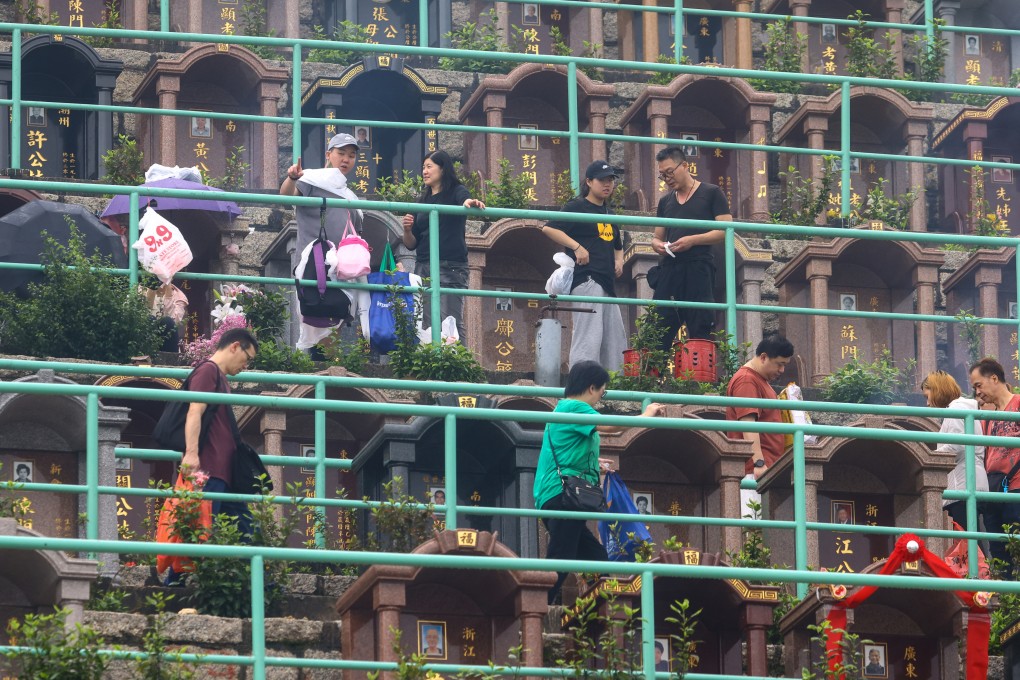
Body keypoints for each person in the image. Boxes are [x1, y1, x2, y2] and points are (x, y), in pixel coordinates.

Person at [534, 361, 664, 604]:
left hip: (559, 495)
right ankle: (533, 611)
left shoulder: (565, 409)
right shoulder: (575, 407)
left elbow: (567, 451)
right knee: (561, 558)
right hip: (563, 497)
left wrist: (595, 464)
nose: (600, 398)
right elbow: (607, 425)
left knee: (595, 557)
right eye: (602, 392)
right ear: (592, 387)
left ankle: (602, 611)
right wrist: (645, 415)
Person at [541, 161, 627, 371]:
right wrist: (576, 247)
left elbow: (618, 244)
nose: (607, 184)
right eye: (602, 180)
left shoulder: (610, 214)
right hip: (587, 278)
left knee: (614, 338)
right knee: (588, 336)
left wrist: (619, 259)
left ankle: (613, 387)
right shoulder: (577, 206)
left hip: (607, 283)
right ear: (589, 182)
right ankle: (581, 383)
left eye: (610, 180)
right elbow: (549, 228)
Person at [650, 146, 732, 350]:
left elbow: (725, 231)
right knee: (659, 327)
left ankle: (698, 380)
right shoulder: (665, 201)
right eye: (662, 175)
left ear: (685, 165)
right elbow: (656, 237)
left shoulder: (711, 192)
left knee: (700, 326)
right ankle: (653, 379)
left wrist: (693, 240)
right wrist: (658, 246)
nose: (667, 178)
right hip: (669, 268)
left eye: (670, 172)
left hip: (698, 267)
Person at [401, 150, 486, 343]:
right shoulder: (421, 202)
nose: (425, 171)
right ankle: (433, 363)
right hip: (424, 265)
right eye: (423, 167)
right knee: (427, 321)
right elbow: (411, 244)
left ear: (443, 168)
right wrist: (407, 230)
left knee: (451, 319)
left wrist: (469, 202)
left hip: (451, 265)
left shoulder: (456, 191)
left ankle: (459, 367)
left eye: (429, 166)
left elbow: (464, 199)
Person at [182, 328, 259, 533]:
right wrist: (191, 454)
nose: (246, 366)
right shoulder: (208, 370)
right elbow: (194, 411)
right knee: (198, 539)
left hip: (224, 473)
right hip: (209, 471)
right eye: (247, 358)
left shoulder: (220, 377)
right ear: (235, 346)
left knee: (248, 535)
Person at [726, 335, 794, 512]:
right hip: (754, 471)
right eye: (779, 364)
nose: (782, 370)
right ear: (763, 357)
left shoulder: (759, 379)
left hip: (765, 468)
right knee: (753, 531)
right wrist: (758, 464)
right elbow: (748, 424)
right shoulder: (747, 380)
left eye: (785, 365)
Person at [970, 357, 1020, 573]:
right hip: (993, 490)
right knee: (998, 551)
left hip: (1016, 486)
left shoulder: (1018, 404)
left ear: (994, 378)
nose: (977, 392)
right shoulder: (986, 417)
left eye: (978, 385)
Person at [922, 370, 987, 529]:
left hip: (964, 483)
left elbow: (957, 445)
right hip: (967, 480)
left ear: (937, 390)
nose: (928, 403)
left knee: (968, 542)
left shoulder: (956, 408)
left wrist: (928, 457)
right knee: (969, 541)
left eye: (927, 395)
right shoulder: (961, 408)